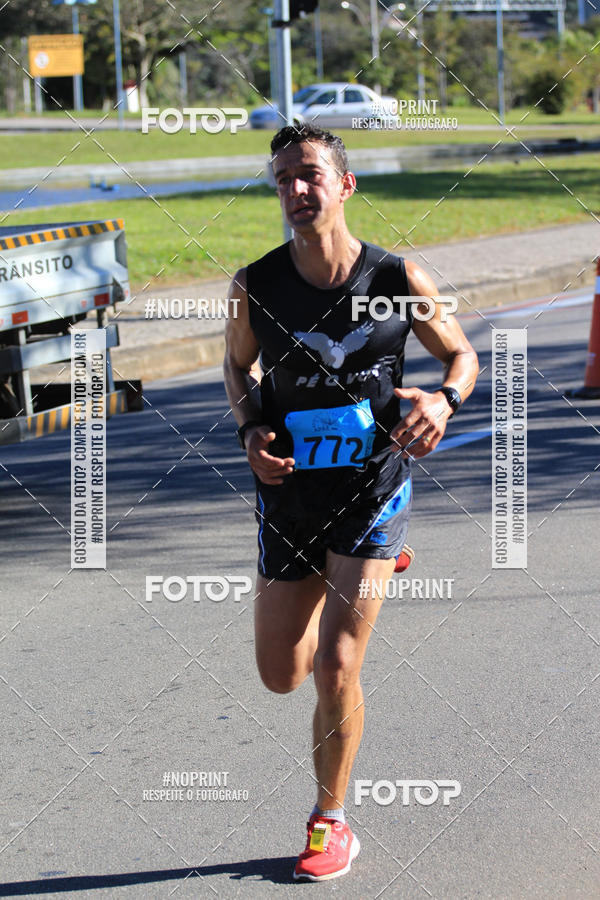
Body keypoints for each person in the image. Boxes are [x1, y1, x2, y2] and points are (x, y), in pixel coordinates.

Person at [223, 123, 478, 881]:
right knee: (281, 673)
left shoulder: (399, 277)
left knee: (338, 664)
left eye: (309, 175)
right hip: (291, 496)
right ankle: (366, 564)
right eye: (282, 180)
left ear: (344, 185)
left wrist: (445, 401)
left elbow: (461, 354)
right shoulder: (256, 285)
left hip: (374, 487)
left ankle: (328, 820)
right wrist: (248, 431)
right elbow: (236, 370)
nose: (295, 191)